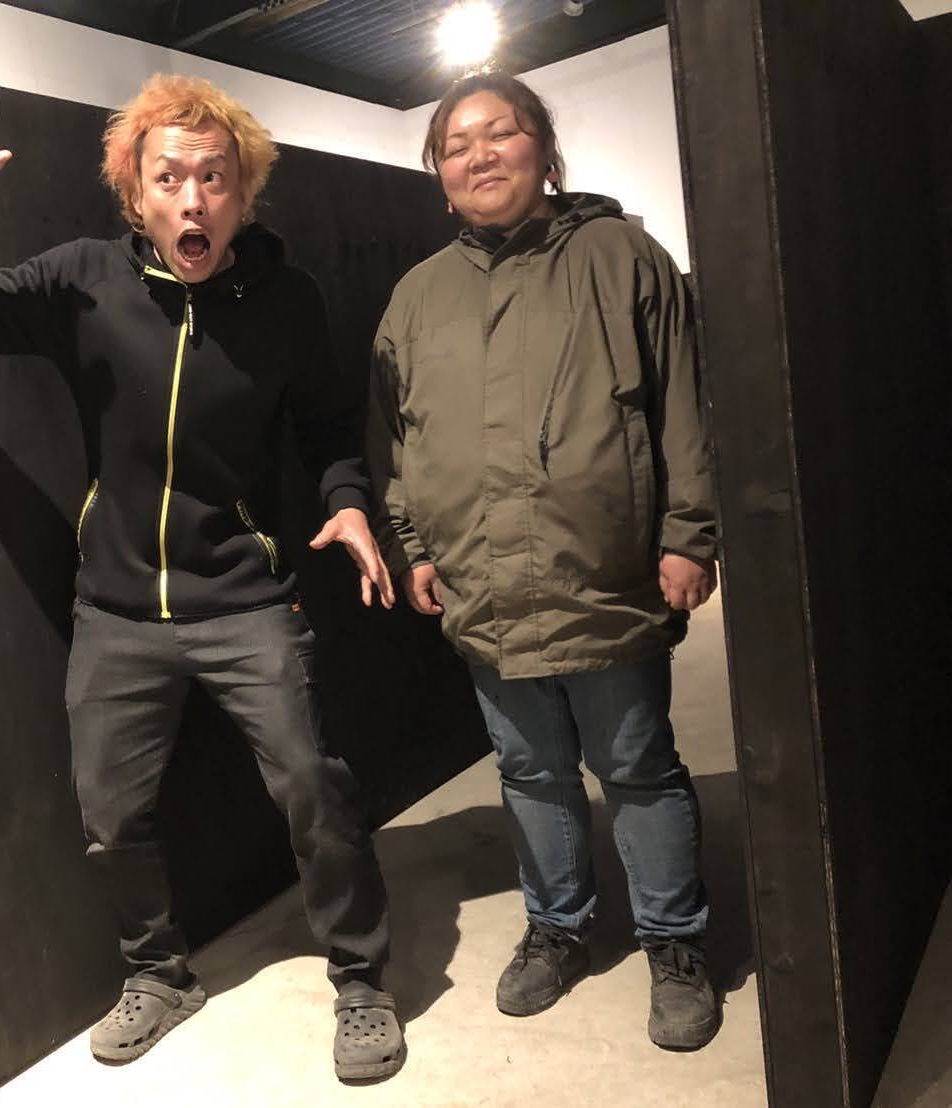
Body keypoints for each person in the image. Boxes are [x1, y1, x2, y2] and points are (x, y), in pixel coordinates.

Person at [0, 69, 405, 1080]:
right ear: (134, 192)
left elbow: (323, 428)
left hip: (248, 601)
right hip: (117, 611)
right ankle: (158, 974)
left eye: (213, 177)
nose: (192, 199)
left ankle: (360, 981)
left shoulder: (287, 302)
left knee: (315, 788)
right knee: (110, 816)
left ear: (243, 193)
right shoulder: (83, 278)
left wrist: (349, 499)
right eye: (169, 177)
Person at [368, 73, 721, 1051]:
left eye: (501, 133)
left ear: (543, 150)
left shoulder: (622, 257)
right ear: (438, 175)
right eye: (455, 145)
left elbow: (683, 404)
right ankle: (557, 926)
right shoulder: (416, 296)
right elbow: (392, 438)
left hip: (604, 575)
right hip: (480, 580)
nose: (478, 155)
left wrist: (688, 532)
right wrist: (409, 545)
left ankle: (673, 941)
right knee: (529, 770)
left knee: (637, 766)